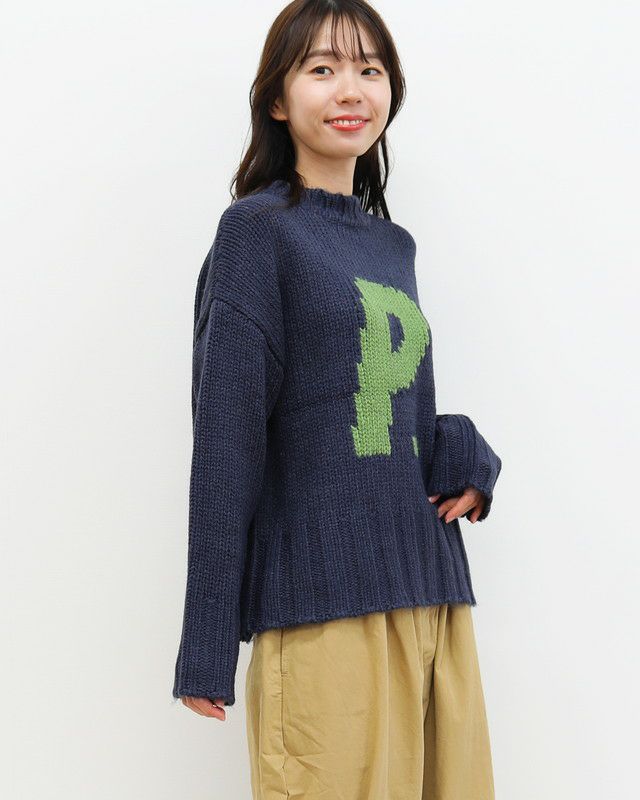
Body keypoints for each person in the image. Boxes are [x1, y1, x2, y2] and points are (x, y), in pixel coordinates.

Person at [172, 1, 503, 797]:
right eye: (322, 68)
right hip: (322, 608)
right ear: (277, 100)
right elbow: (227, 441)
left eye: (369, 69)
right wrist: (207, 642)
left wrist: (462, 447)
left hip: (432, 596)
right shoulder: (256, 234)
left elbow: (380, 406)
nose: (350, 88)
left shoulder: (391, 245)